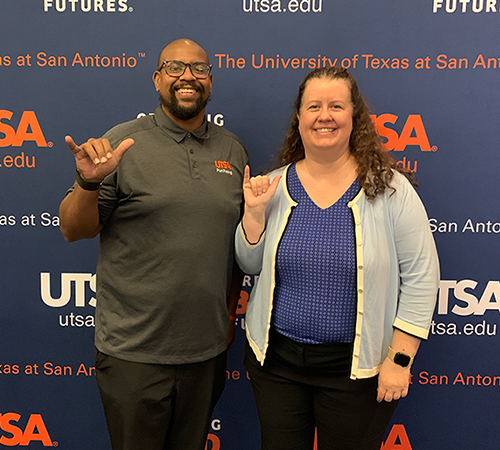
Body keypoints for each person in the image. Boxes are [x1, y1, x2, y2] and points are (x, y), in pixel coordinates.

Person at [235, 66, 439, 450]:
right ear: (299, 119)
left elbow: (421, 277)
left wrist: (399, 360)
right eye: (313, 106)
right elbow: (248, 264)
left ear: (353, 117)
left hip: (357, 371)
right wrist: (254, 215)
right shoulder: (274, 185)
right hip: (277, 366)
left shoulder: (390, 189)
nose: (324, 115)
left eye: (336, 106)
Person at [59, 38, 248, 450]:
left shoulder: (232, 150)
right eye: (175, 67)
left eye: (199, 69)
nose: (188, 77)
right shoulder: (123, 143)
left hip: (205, 352)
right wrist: (88, 182)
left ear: (210, 82)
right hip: (134, 354)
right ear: (157, 79)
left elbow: (235, 248)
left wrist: (229, 317)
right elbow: (74, 229)